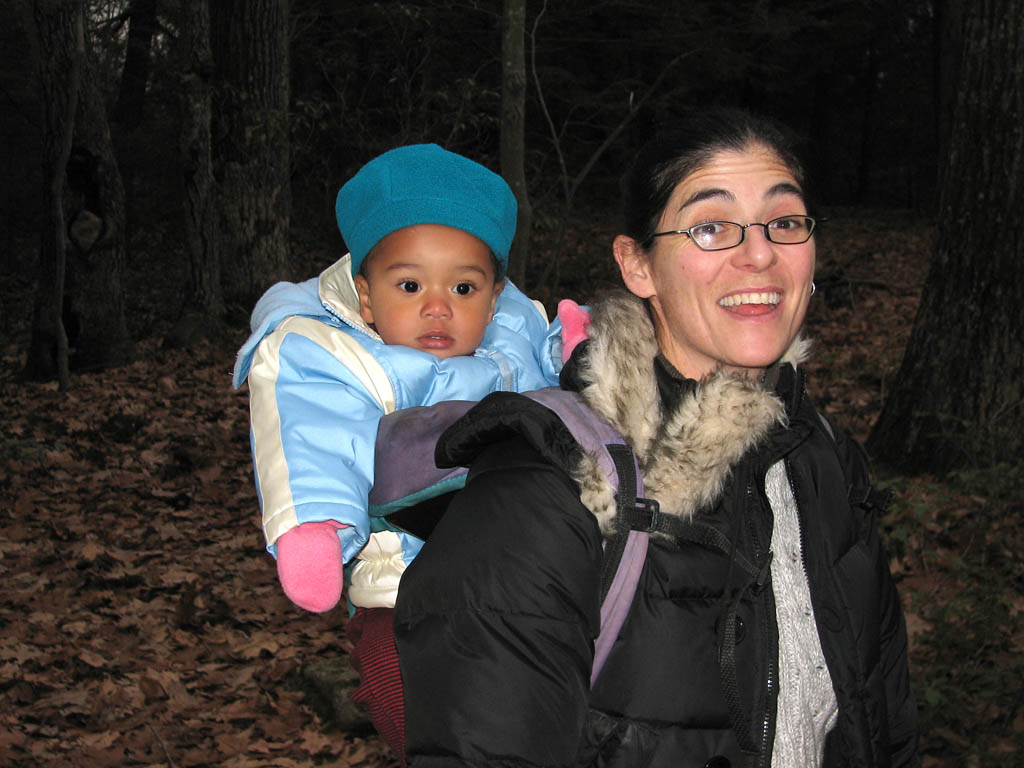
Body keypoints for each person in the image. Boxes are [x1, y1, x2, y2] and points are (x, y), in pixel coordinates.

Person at [393, 109, 920, 767]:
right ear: (638, 266)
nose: (759, 254)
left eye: (784, 223)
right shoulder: (544, 490)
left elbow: (884, 723)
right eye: (710, 227)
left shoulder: (826, 462)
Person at [232, 144, 565, 757]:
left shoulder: (514, 341)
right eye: (409, 285)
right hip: (402, 588)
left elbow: (567, 373)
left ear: (493, 299)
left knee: (530, 722)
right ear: (365, 296)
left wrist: (582, 341)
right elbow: (312, 437)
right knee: (410, 710)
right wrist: (317, 528)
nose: (437, 306)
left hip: (527, 581)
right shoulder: (334, 355)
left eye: (463, 287)